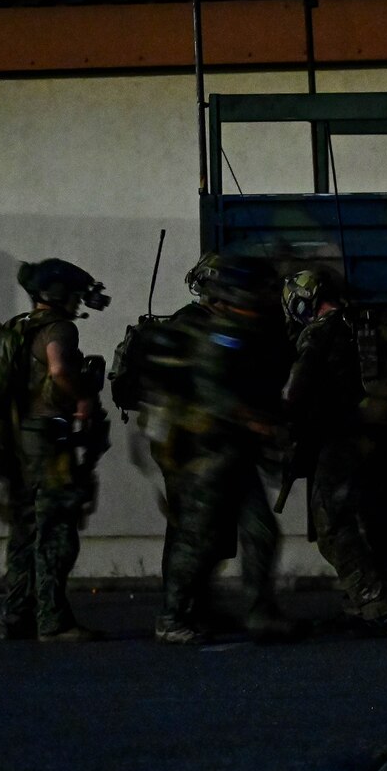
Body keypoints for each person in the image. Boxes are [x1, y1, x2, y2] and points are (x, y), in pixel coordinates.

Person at [154, 254, 297, 645]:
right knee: (198, 539)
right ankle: (174, 617)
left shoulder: (247, 330)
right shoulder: (219, 333)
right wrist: (254, 420)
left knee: (261, 532)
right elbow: (211, 393)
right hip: (205, 453)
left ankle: (259, 612)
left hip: (233, 452)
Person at [280, 267, 387, 633]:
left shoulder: (318, 335)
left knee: (331, 522)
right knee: (357, 519)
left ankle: (374, 604)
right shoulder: (354, 326)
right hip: (366, 435)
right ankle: (361, 602)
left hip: (340, 438)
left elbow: (297, 392)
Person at [0, 259, 110, 642]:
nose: (80, 301)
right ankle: (54, 621)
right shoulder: (58, 329)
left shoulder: (17, 327)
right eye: (77, 294)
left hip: (18, 439)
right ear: (59, 293)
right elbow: (60, 370)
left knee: (24, 529)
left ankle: (17, 614)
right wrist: (82, 400)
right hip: (48, 441)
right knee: (57, 530)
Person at [136, 254, 238, 640]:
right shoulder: (194, 328)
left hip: (191, 443)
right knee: (190, 532)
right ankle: (174, 617)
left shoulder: (199, 324)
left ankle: (197, 608)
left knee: (203, 531)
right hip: (188, 446)